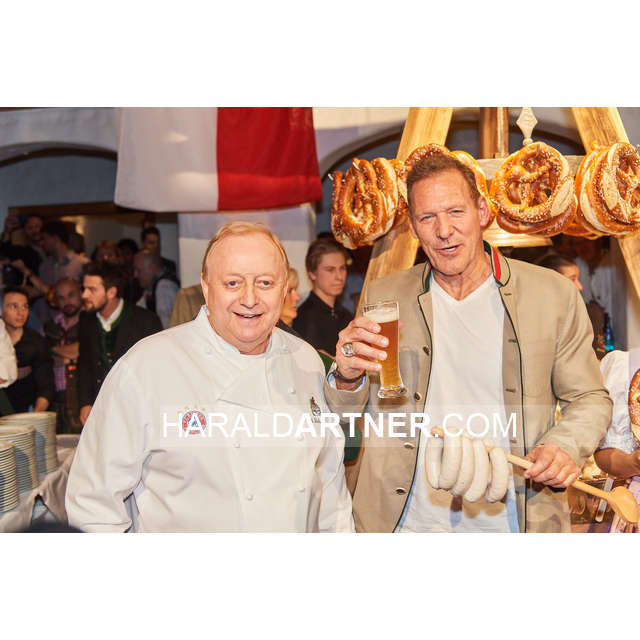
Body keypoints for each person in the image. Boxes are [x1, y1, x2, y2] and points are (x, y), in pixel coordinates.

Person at [325, 153, 612, 533]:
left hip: (512, 519)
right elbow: (347, 413)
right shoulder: (384, 296)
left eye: (455, 211)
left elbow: (590, 398)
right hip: (407, 522)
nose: (444, 230)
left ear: (482, 212)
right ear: (413, 228)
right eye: (427, 217)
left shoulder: (552, 294)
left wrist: (565, 445)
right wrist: (346, 377)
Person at [66, 222, 354, 533]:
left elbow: (330, 486)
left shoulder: (305, 360)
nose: (249, 298)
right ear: (206, 287)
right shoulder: (146, 368)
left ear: (284, 288)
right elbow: (93, 505)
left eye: (265, 283)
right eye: (232, 283)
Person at [77, 262, 163, 426]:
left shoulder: (145, 321)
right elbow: (85, 365)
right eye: (84, 288)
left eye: (92, 289)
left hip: (137, 411)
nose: (84, 295)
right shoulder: (86, 321)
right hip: (99, 410)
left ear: (111, 292)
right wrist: (85, 402)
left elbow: (156, 369)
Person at [292, 238, 353, 356]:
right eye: (330, 270)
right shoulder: (303, 319)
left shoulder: (346, 315)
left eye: (342, 268)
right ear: (312, 274)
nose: (339, 277)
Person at [2, 286, 54, 413]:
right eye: (14, 306)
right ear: (1, 310)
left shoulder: (37, 343)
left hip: (25, 412)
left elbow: (46, 386)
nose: (21, 313)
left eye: (25, 307)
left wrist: (35, 417)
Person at [42, 278, 83, 433]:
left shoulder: (91, 321)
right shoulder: (50, 326)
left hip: (82, 399)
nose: (67, 301)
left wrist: (51, 350)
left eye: (71, 295)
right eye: (61, 297)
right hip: (53, 400)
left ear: (80, 293)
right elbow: (41, 358)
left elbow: (81, 350)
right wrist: (67, 357)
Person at [133, 250, 180, 329]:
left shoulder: (164, 287)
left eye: (138, 270)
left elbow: (166, 326)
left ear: (151, 269)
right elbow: (138, 309)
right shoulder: (152, 286)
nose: (135, 275)